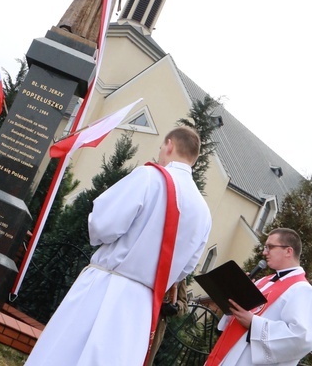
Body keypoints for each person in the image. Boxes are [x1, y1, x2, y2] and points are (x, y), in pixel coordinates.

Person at [25, 126, 212, 366]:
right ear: (194, 160)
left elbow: (104, 224)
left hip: (107, 286)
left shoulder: (149, 177)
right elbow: (185, 269)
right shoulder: (204, 213)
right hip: (144, 306)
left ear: (169, 145)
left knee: (64, 354)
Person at [206, 228, 312, 365]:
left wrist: (254, 324)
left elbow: (301, 338)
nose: (264, 252)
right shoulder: (264, 281)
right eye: (265, 247)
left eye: (270, 247)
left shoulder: (302, 290)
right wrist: (237, 292)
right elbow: (240, 314)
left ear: (288, 251)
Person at [145, 279, 188, 366]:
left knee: (146, 360)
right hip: (140, 312)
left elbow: (184, 305)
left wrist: (176, 307)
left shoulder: (180, 274)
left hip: (157, 324)